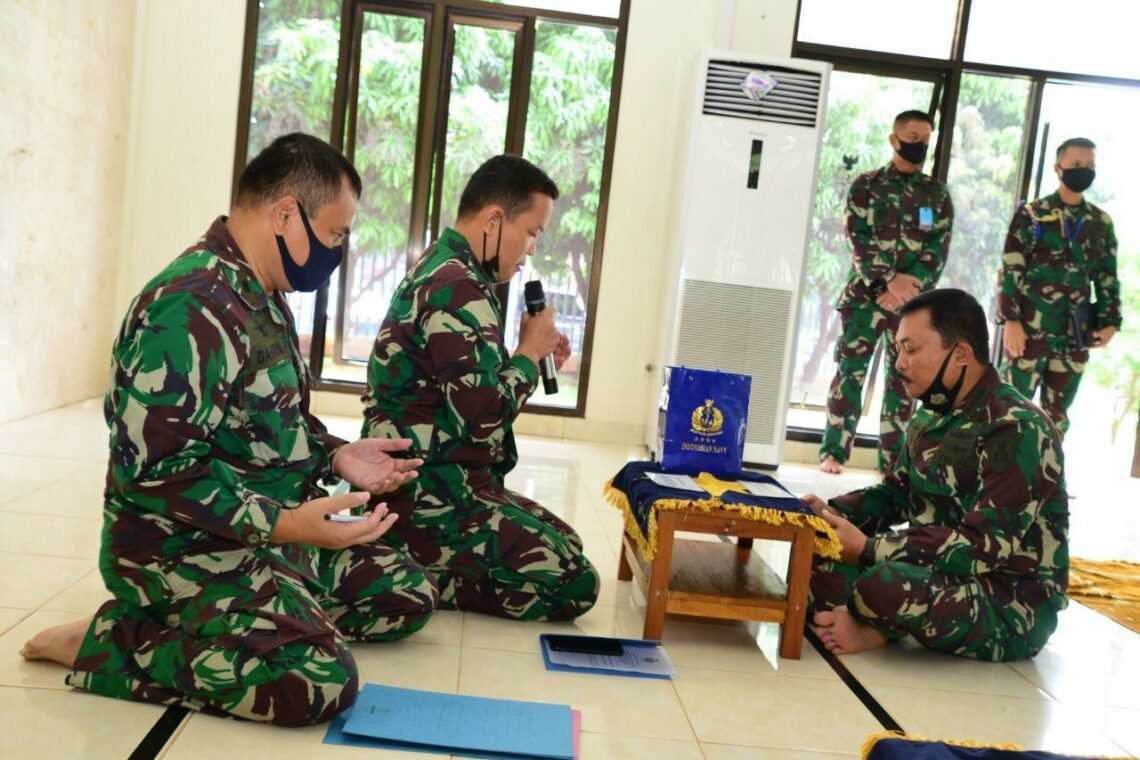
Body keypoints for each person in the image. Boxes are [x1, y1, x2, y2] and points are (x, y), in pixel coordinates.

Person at [20, 133, 439, 726]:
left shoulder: (260, 294)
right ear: (286, 214)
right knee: (318, 682)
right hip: (180, 548)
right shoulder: (189, 307)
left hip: (263, 533)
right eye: (335, 234)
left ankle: (269, 611)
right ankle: (113, 639)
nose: (338, 251)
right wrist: (287, 525)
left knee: (406, 593)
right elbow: (156, 472)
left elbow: (274, 420)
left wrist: (336, 456)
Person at [360, 154, 599, 621]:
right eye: (531, 232)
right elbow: (483, 421)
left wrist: (530, 355)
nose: (532, 249)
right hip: (426, 493)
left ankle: (424, 559)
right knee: (576, 581)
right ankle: (418, 567)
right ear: (493, 220)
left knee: (568, 545)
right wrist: (527, 354)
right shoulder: (457, 285)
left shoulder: (453, 269)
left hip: (451, 479)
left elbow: (472, 391)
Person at [806, 289, 1069, 661]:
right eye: (898, 350)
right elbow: (896, 494)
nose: (899, 364)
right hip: (939, 573)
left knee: (885, 583)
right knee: (817, 551)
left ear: (960, 354)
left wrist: (869, 548)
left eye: (911, 350)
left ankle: (875, 622)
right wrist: (832, 514)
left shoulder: (1017, 427)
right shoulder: (931, 415)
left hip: (1008, 601)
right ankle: (876, 617)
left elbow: (982, 545)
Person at [819, 110, 955, 475]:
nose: (920, 145)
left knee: (904, 380)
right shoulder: (866, 185)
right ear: (894, 140)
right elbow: (856, 238)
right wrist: (886, 283)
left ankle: (894, 463)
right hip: (865, 299)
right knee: (850, 373)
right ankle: (833, 453)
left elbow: (937, 250)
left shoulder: (937, 194)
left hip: (911, 307)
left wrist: (908, 289)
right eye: (913, 138)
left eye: (925, 139)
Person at [996, 137, 1121, 438]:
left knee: (1057, 420)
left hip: (1074, 335)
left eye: (1090, 165)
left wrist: (1110, 322)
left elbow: (1107, 277)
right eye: (1076, 164)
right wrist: (1010, 320)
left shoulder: (1100, 222)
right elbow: (1011, 268)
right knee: (1010, 411)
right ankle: (1003, 469)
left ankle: (1046, 469)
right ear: (1058, 168)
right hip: (1029, 331)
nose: (1084, 170)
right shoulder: (1032, 214)